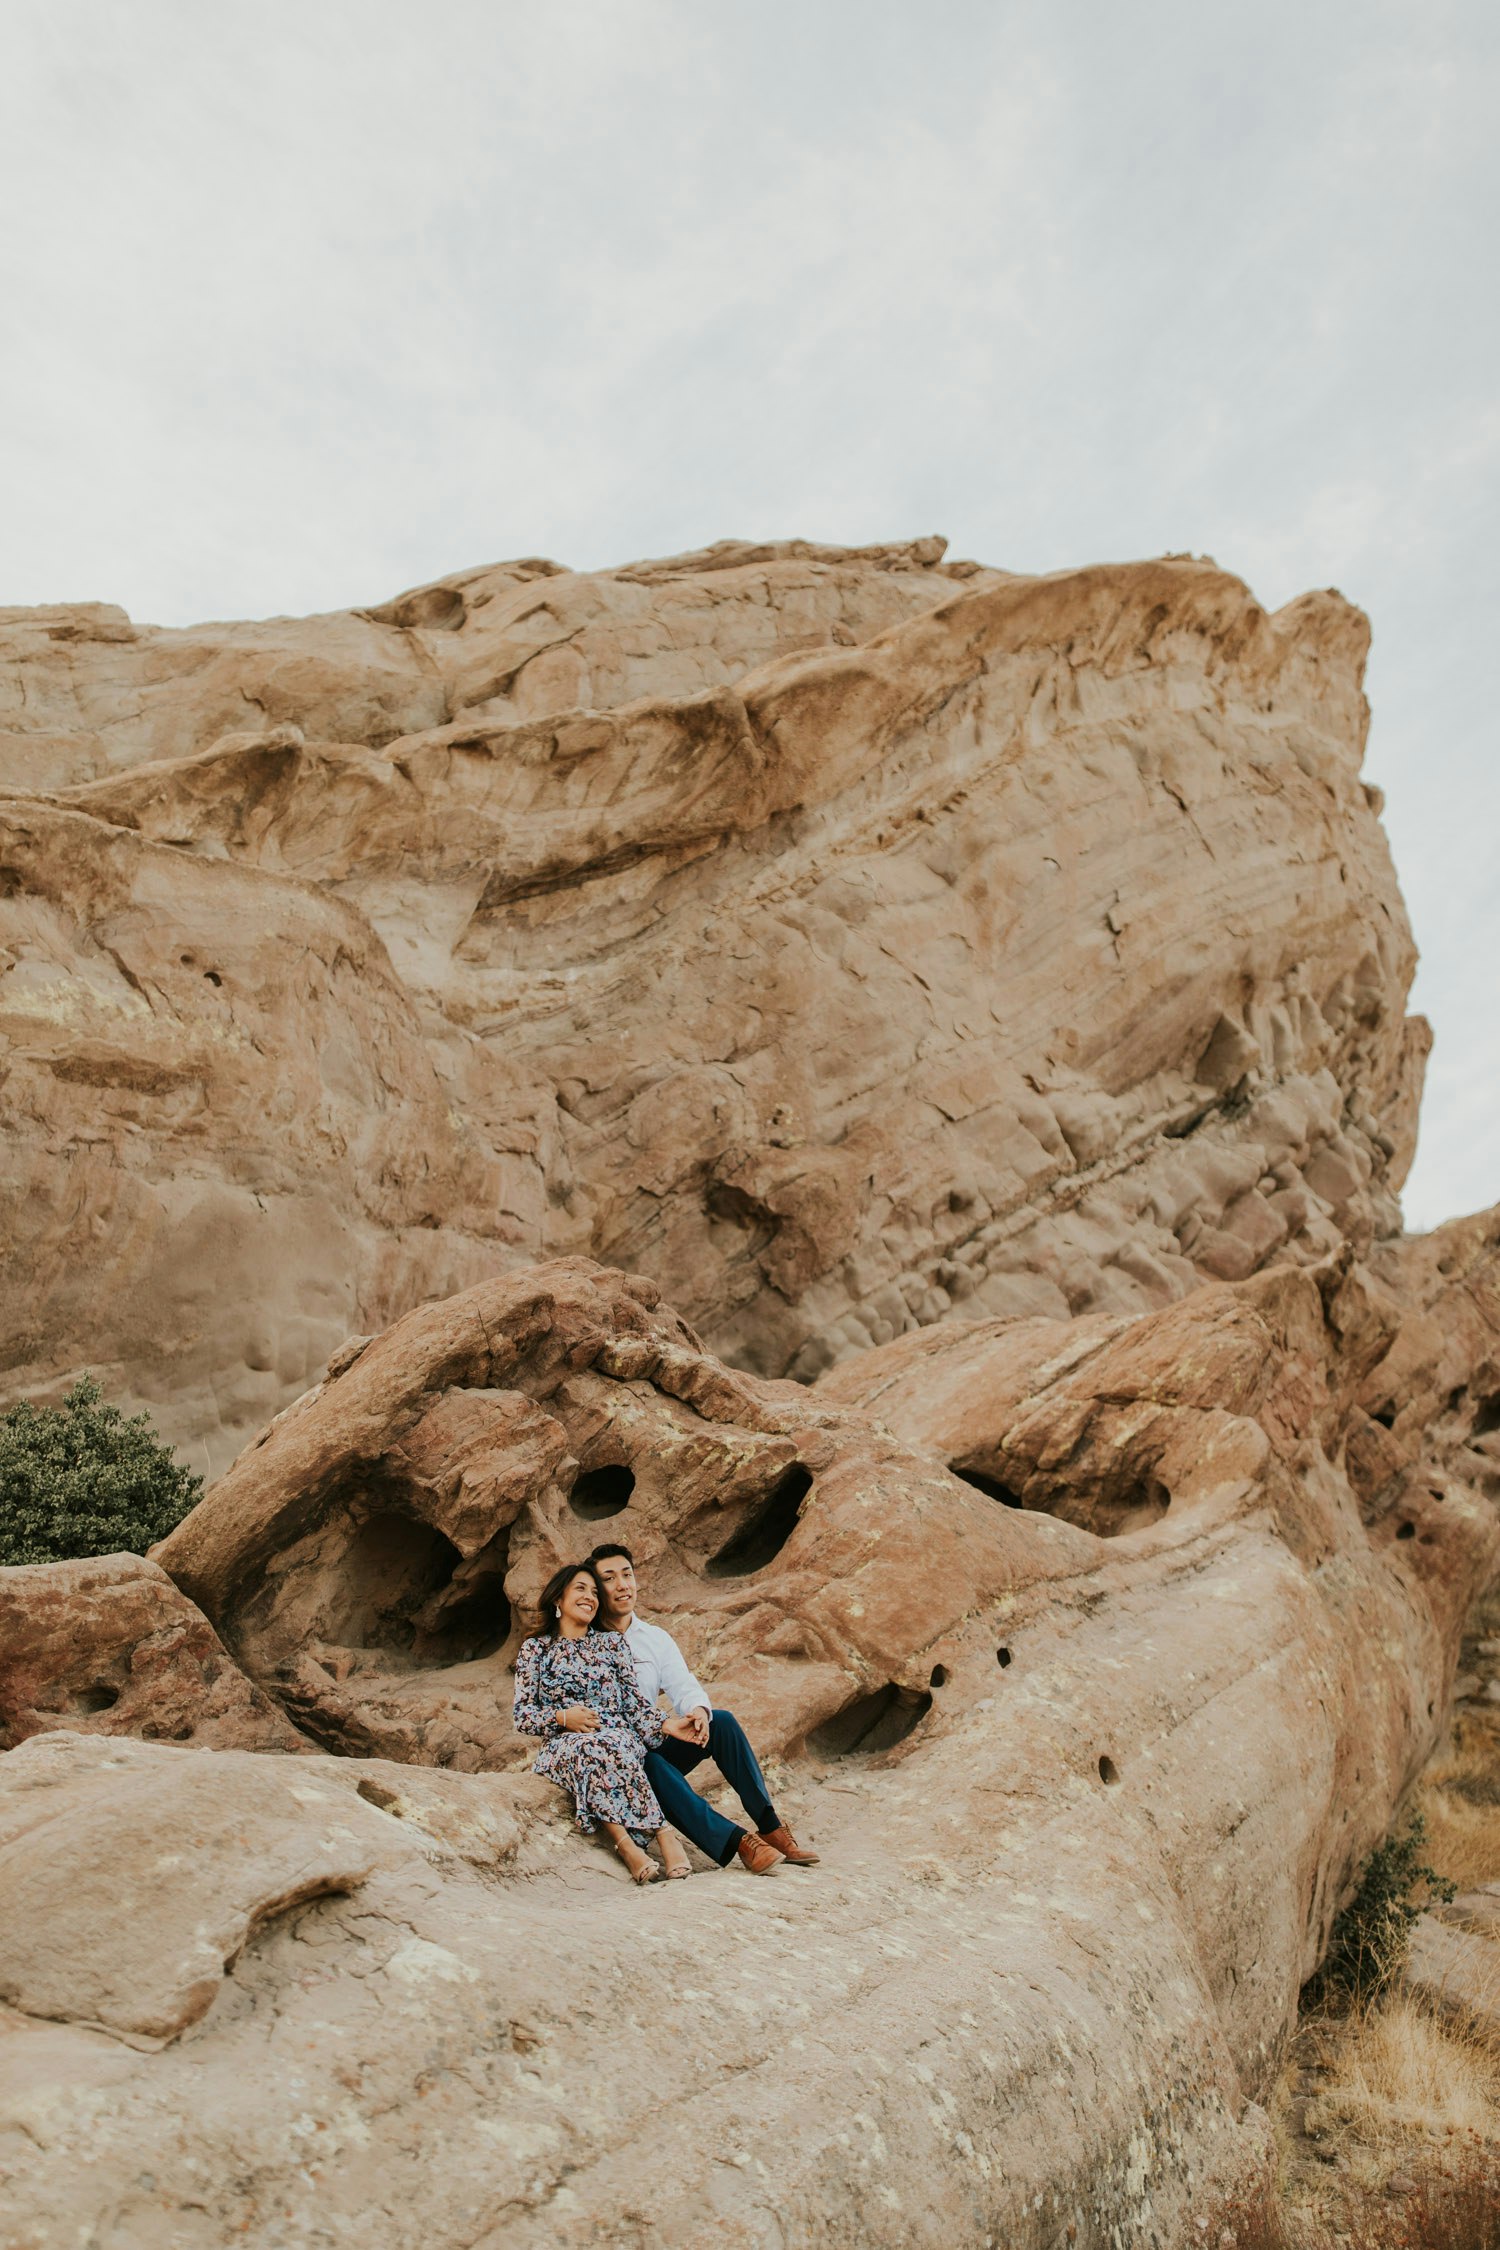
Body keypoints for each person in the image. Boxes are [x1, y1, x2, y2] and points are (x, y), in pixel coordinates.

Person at [588, 1542, 820, 1876]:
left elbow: (683, 1684)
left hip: (652, 1745)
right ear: (597, 1589)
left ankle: (769, 1826)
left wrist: (697, 1710)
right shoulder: (587, 1643)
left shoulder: (654, 1638)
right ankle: (739, 1843)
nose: (622, 1585)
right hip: (618, 1760)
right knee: (649, 1761)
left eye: (627, 1574)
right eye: (609, 1579)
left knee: (720, 1721)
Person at [512, 1561, 699, 1885]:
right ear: (558, 1598)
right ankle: (643, 1841)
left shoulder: (612, 1644)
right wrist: (561, 1717)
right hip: (562, 1742)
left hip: (617, 1733)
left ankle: (647, 1839)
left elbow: (634, 1703)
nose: (591, 1597)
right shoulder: (536, 1649)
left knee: (610, 1745)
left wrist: (667, 1724)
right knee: (589, 1749)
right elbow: (522, 1715)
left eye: (595, 1592)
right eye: (580, 1589)